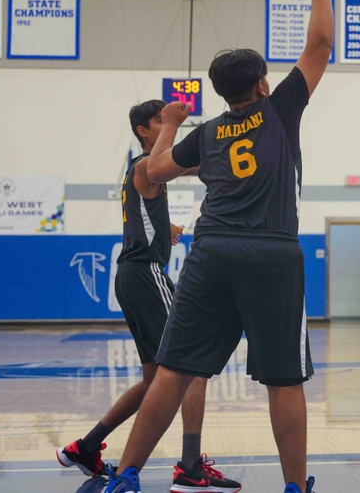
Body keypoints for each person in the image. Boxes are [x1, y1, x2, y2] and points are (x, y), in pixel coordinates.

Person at [103, 0, 334, 493]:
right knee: (284, 378)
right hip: (272, 254)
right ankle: (296, 487)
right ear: (260, 85)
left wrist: (172, 123)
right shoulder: (278, 110)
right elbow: (321, 43)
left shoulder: (205, 134)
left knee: (175, 367)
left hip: (209, 252)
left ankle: (127, 475)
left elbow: (153, 172)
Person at [57, 99, 239, 493]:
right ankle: (190, 466)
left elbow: (176, 176)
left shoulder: (142, 173)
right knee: (192, 365)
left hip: (134, 276)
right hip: (144, 275)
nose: (165, 126)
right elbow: (181, 164)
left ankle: (85, 447)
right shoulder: (144, 165)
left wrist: (165, 224)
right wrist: (182, 126)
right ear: (144, 130)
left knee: (155, 378)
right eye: (158, 122)